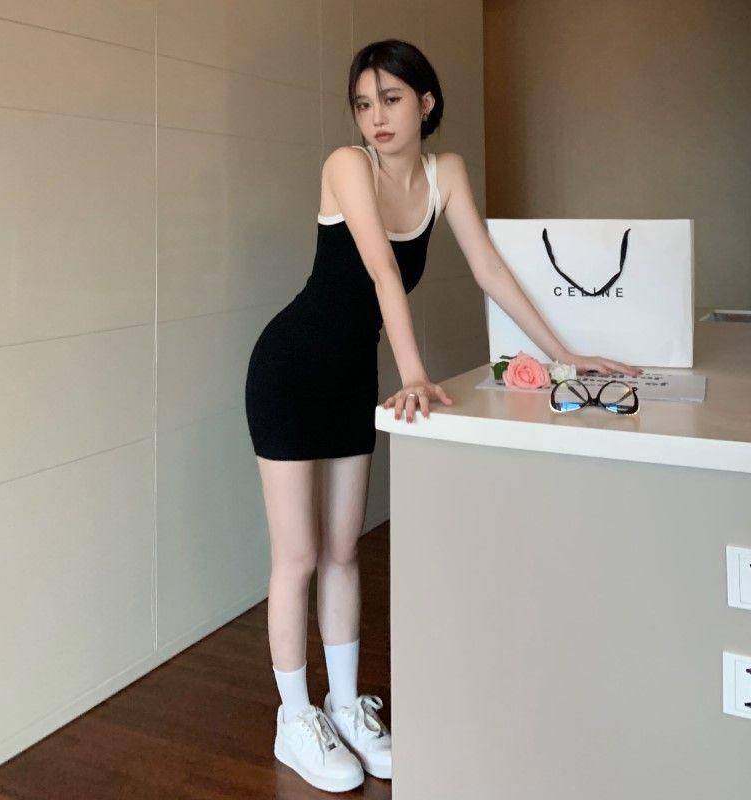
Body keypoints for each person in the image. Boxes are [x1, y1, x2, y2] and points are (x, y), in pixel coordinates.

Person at [244, 38, 641, 793]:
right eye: (364, 103)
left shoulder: (445, 173)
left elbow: (489, 269)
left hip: (350, 375)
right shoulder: (346, 165)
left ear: (426, 102)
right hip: (289, 371)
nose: (376, 116)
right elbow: (381, 271)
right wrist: (415, 375)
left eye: (392, 99)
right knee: (297, 555)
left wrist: (565, 356)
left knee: (343, 550)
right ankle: (294, 720)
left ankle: (344, 706)